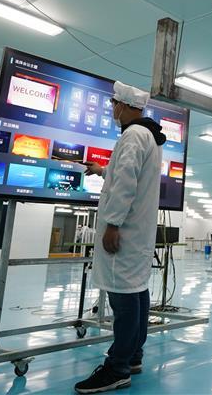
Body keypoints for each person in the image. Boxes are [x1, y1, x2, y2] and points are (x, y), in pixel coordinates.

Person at [75, 82, 166, 394]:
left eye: (114, 103)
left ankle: (117, 368)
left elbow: (126, 183)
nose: (112, 108)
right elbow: (125, 173)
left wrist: (112, 224)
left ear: (124, 106)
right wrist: (102, 170)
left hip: (124, 232)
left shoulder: (133, 135)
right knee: (137, 290)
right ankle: (133, 355)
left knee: (124, 298)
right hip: (138, 233)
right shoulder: (148, 136)